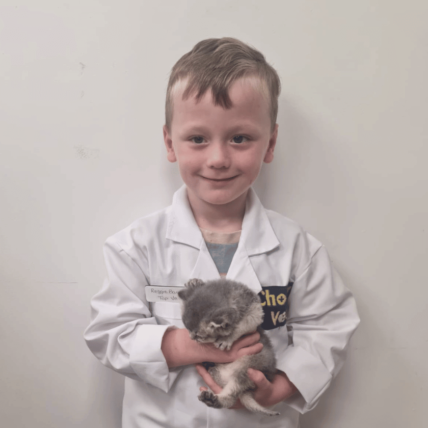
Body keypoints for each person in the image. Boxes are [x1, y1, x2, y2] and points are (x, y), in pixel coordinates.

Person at [84, 37, 360, 428]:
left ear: (271, 142)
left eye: (240, 138)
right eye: (198, 138)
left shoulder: (298, 248)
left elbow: (328, 325)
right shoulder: (136, 246)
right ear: (170, 143)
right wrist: (183, 345)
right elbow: (108, 332)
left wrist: (281, 386)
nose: (218, 159)